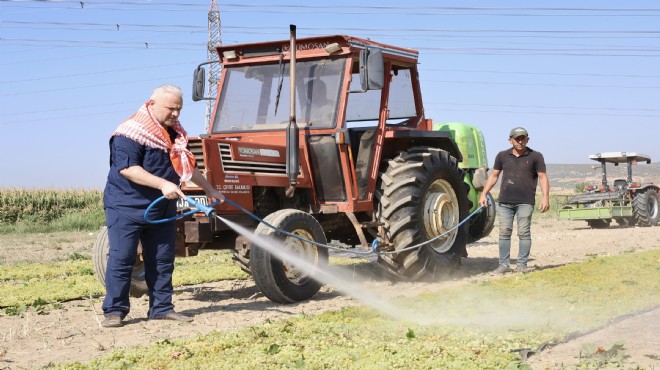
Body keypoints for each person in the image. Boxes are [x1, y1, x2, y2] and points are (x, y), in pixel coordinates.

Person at [101, 84, 225, 328]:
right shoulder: (129, 133)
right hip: (126, 206)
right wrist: (162, 185)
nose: (175, 114)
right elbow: (127, 168)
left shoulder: (176, 135)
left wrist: (209, 189)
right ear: (152, 103)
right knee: (123, 257)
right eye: (171, 108)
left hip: (161, 208)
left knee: (161, 258)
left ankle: (161, 308)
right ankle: (114, 311)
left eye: (179, 109)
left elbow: (188, 167)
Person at [478, 127, 550, 274]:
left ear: (527, 140)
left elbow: (542, 177)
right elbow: (493, 176)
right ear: (510, 140)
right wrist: (483, 194)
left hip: (525, 202)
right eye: (517, 138)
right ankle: (504, 265)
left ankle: (522, 265)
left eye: (523, 138)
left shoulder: (536, 156)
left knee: (523, 233)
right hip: (505, 202)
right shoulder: (502, 156)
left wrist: (545, 197)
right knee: (504, 232)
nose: (520, 141)